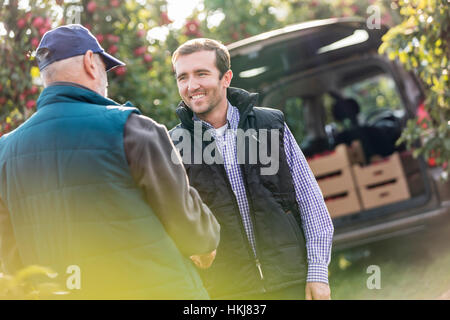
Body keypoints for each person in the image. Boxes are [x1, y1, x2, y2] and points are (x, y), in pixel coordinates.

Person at [0, 25, 220, 299]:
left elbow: (11, 261)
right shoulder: (131, 128)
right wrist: (206, 242)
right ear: (90, 63)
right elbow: (194, 232)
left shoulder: (5, 151)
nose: (106, 79)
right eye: (105, 68)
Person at [170, 38, 334, 300]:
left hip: (290, 281)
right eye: (183, 77)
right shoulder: (174, 146)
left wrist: (317, 272)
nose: (192, 86)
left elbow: (310, 201)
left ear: (226, 77)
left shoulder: (270, 125)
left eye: (202, 74)